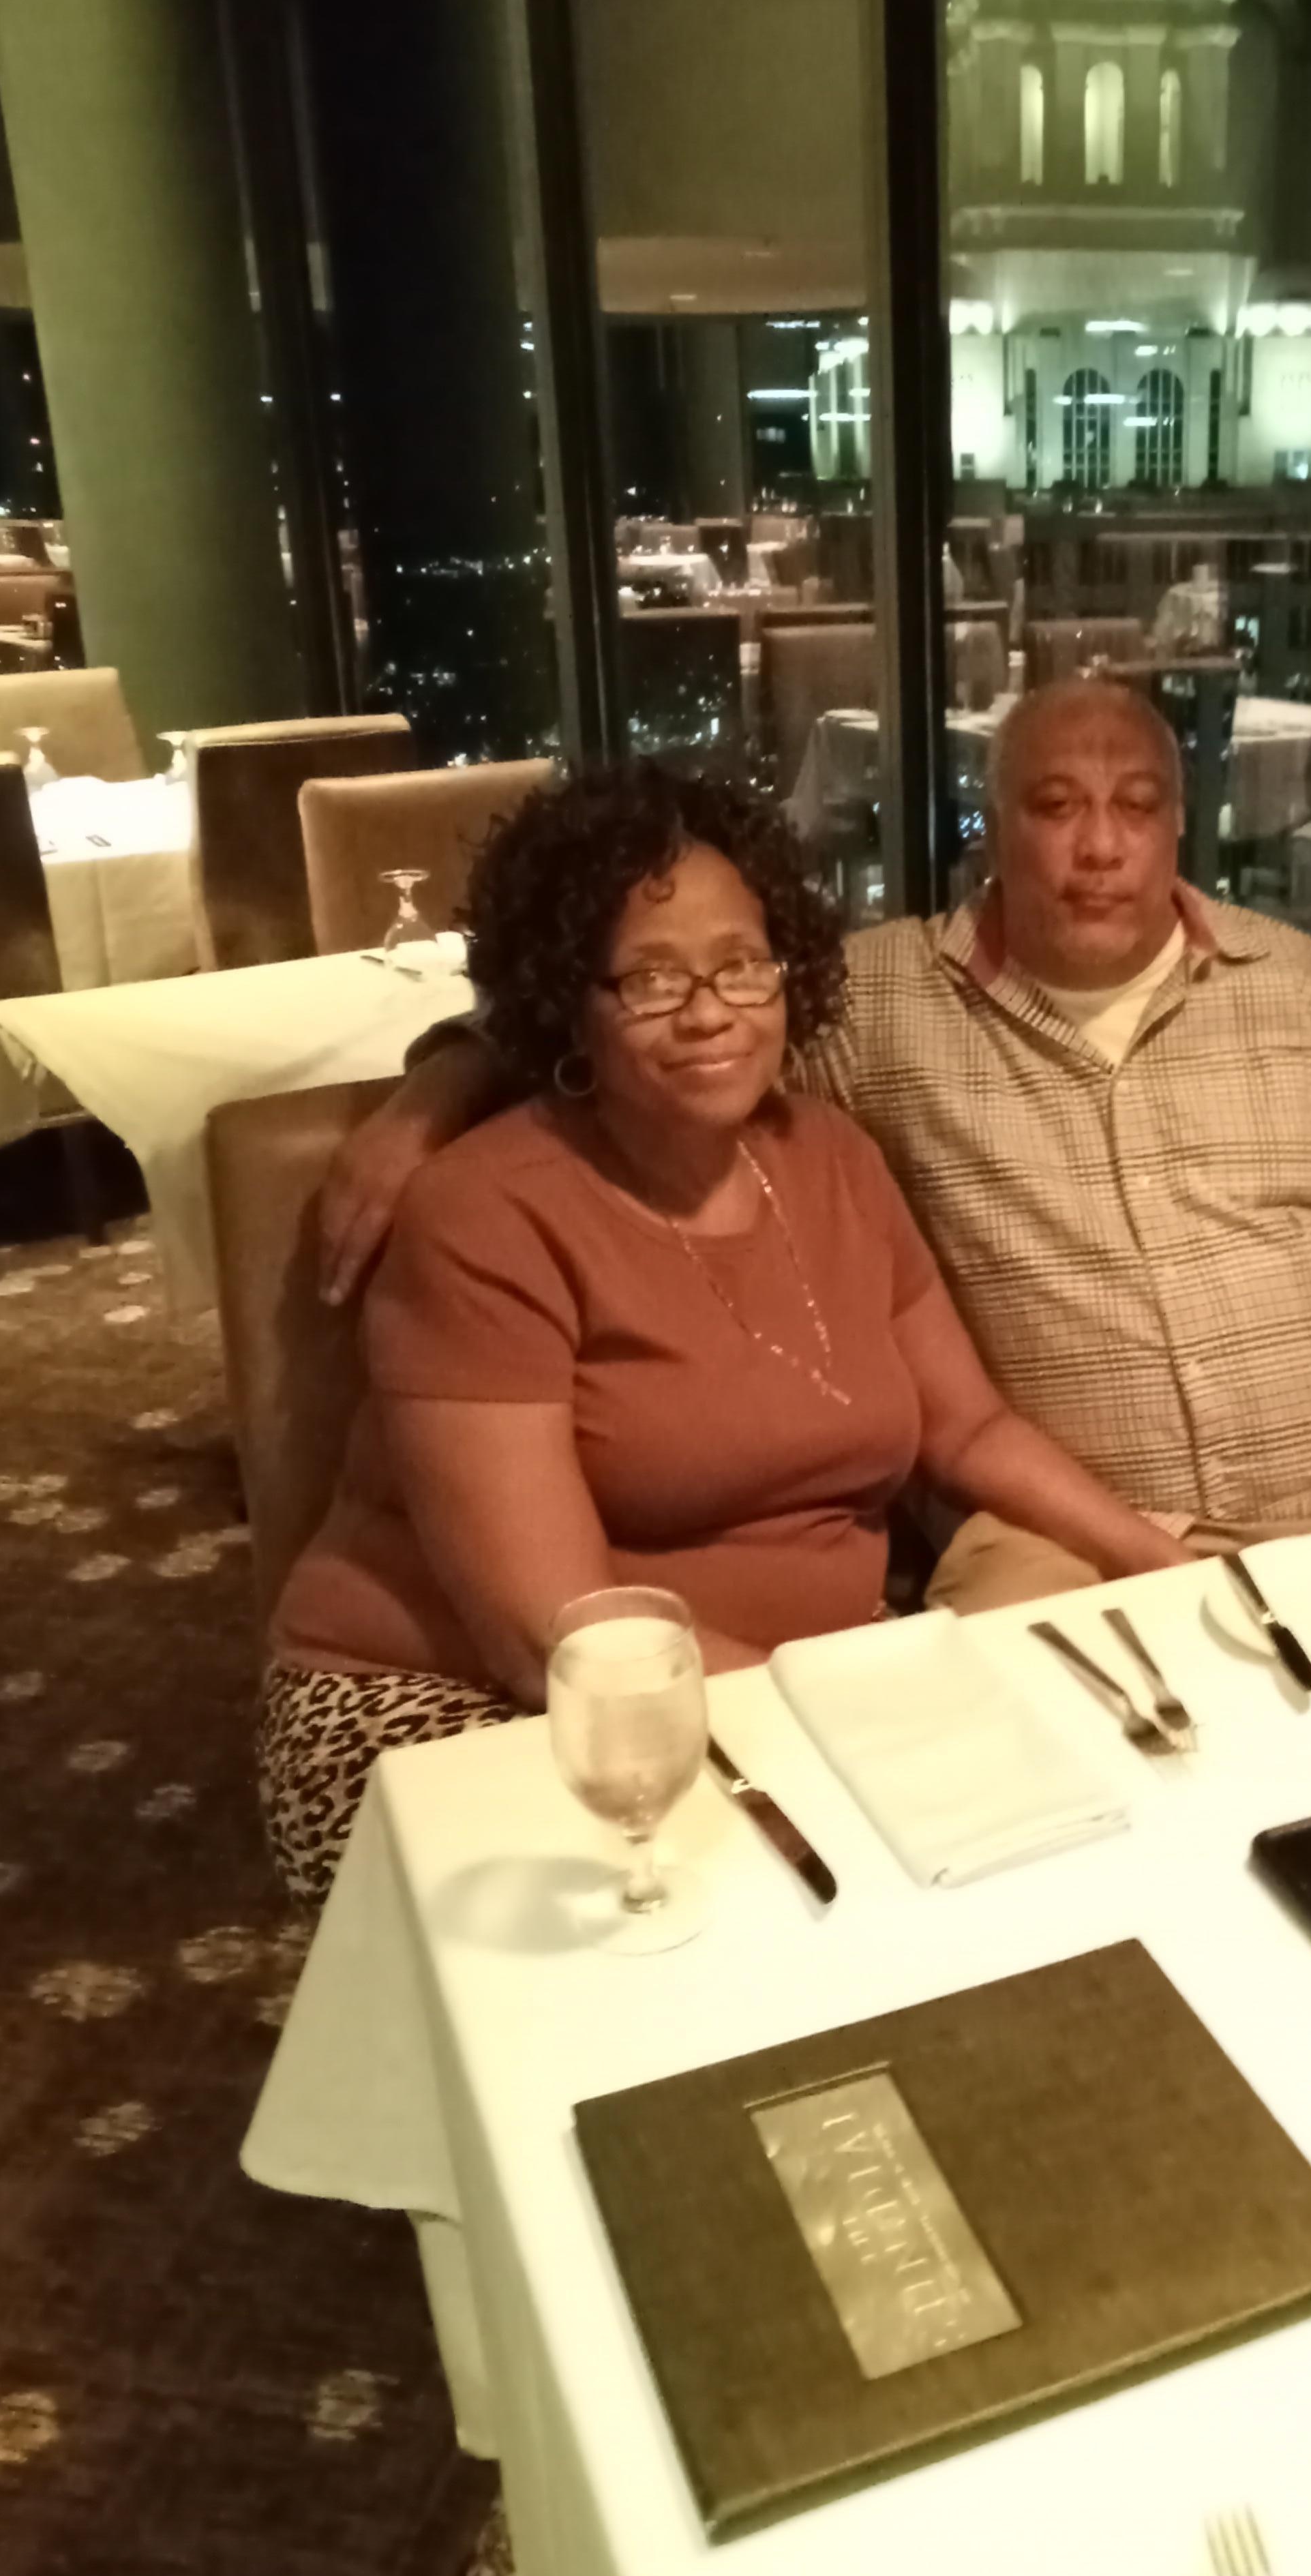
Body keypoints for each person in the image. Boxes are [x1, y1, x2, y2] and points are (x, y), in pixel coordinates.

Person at [320, 678, 1311, 1614]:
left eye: (1137, 807)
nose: (1101, 846)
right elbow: (655, 1026)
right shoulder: (875, 1005)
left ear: (1178, 826)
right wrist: (443, 1087)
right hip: (1059, 1527)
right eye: (1057, 807)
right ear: (994, 828)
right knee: (1033, 1776)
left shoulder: (1303, 988)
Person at [262, 761, 1187, 1910]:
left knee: (1090, 1828)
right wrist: (857, 1731)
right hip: (473, 1704)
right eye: (651, 979)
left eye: (743, 964)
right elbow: (554, 1635)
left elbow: (970, 1429)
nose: (710, 1012)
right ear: (566, 999)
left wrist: (1162, 1564)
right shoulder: (484, 1212)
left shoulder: (831, 1156)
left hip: (790, 1682)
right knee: (779, 1916)